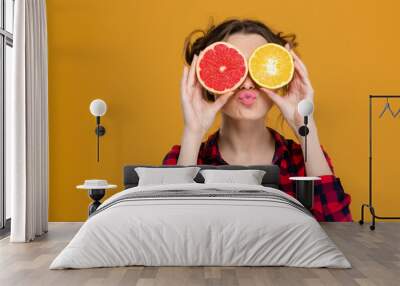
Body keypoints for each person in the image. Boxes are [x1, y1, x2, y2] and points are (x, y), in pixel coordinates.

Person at [162, 18, 352, 222]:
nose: (247, 83)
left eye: (258, 67)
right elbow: (170, 233)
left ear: (281, 75)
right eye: (234, 67)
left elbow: (338, 232)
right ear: (208, 80)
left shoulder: (302, 160)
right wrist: (193, 130)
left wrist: (304, 123)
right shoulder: (183, 158)